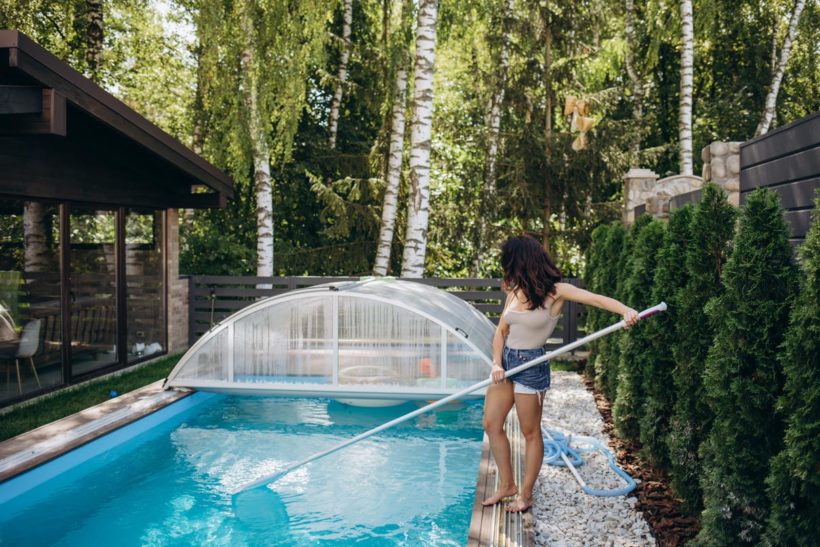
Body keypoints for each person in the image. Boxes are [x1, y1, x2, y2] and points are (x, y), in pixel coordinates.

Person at [481, 235, 639, 512]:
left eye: (509, 264)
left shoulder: (556, 292)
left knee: (530, 432)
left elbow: (596, 300)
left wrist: (626, 311)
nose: (507, 271)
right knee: (491, 424)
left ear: (522, 261)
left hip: (532, 366)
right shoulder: (514, 291)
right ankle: (507, 484)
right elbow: (500, 332)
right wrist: (496, 363)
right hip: (506, 362)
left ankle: (525, 494)